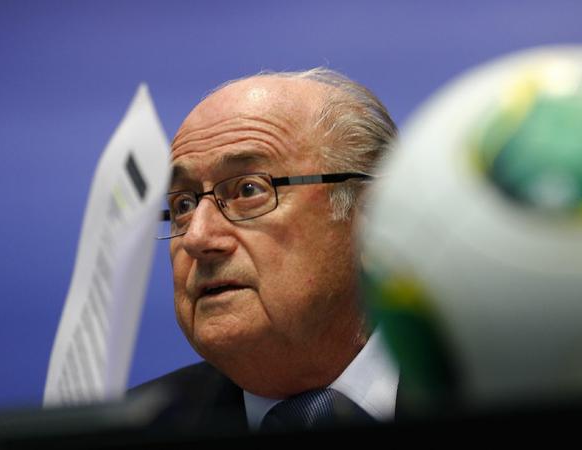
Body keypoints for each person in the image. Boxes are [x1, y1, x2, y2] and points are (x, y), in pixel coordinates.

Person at [132, 68, 399, 432]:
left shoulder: (492, 389)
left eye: (247, 191)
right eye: (183, 205)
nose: (197, 237)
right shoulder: (140, 428)